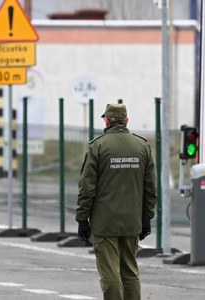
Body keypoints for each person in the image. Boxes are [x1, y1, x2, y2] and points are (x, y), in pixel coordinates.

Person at [76, 103, 157, 300]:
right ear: (126, 120)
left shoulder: (98, 146)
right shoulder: (142, 146)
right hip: (132, 221)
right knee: (130, 272)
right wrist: (146, 218)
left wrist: (82, 219)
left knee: (110, 273)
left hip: (105, 223)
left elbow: (87, 188)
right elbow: (150, 188)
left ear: (107, 121)